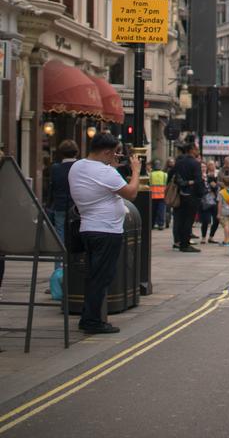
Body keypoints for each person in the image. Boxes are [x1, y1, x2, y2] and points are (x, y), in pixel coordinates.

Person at [68, 134, 141, 333]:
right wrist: (135, 171)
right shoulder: (105, 173)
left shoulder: (78, 166)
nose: (116, 156)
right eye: (114, 153)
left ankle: (88, 316)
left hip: (88, 229)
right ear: (107, 151)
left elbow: (97, 182)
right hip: (106, 231)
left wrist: (111, 168)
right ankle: (92, 321)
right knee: (101, 278)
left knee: (94, 276)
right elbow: (132, 193)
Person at [45, 140, 79, 262]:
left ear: (61, 153)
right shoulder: (79, 167)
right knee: (76, 237)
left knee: (60, 238)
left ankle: (59, 268)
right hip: (77, 209)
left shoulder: (55, 168)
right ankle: (74, 265)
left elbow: (52, 188)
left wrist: (48, 205)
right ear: (76, 152)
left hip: (60, 207)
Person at [171, 141, 204, 252]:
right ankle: (185, 244)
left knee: (180, 219)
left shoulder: (179, 162)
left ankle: (179, 242)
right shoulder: (195, 164)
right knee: (188, 221)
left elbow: (173, 176)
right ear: (191, 150)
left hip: (180, 194)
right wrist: (200, 194)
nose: (197, 151)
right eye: (196, 149)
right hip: (192, 196)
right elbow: (198, 181)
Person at [199, 163, 220, 244]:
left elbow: (216, 187)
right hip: (204, 201)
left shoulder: (212, 176)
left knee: (216, 220)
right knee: (206, 220)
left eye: (204, 167)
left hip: (214, 201)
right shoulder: (199, 177)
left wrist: (213, 180)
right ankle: (203, 237)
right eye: (202, 167)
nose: (203, 168)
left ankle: (211, 237)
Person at [148, 162, 168, 230]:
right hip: (162, 195)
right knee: (161, 211)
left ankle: (152, 224)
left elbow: (148, 184)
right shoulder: (164, 175)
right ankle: (161, 224)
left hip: (153, 196)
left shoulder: (151, 175)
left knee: (153, 211)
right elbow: (166, 184)